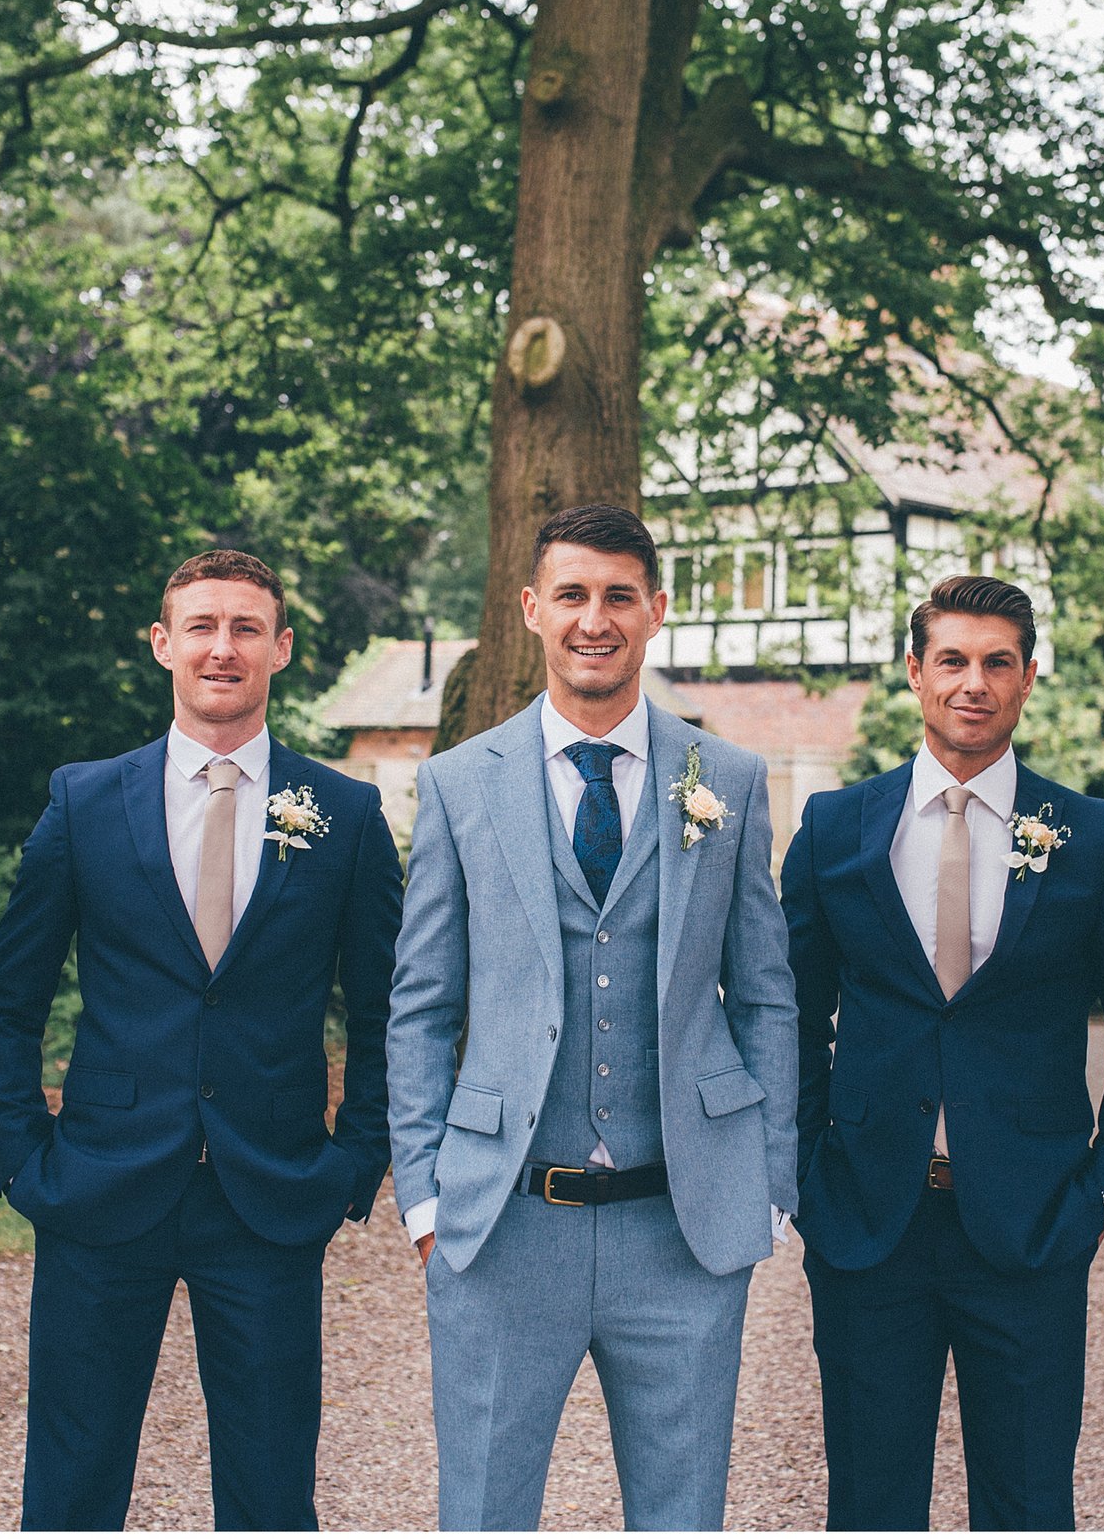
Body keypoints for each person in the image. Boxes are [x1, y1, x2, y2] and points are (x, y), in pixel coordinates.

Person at [0, 548, 401, 1531]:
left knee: (269, 1484)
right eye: (201, 625)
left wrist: (350, 1160)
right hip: (98, 1187)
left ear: (281, 648)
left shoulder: (342, 813)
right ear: (162, 644)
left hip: (269, 1195)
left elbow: (386, 1011)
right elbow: (5, 1004)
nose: (223, 646)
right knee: (73, 1482)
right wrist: (25, 1161)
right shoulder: (84, 801)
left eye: (247, 627)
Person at [386, 503, 797, 1531]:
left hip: (682, 1225)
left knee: (681, 1514)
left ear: (656, 610)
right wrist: (428, 1199)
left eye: (619, 595)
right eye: (571, 594)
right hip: (500, 1222)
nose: (594, 618)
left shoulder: (730, 780)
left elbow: (765, 993)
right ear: (531, 609)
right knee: (481, 1513)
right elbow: (422, 1004)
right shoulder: (456, 784)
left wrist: (768, 1180)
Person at [783, 574, 1104, 1530]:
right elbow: (788, 1012)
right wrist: (800, 1172)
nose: (974, 681)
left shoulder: (1097, 838)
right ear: (915, 672)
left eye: (998, 661)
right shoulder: (838, 829)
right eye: (952, 659)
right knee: (871, 1504)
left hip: (1033, 1225)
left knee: (1031, 1501)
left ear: (1029, 678)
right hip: (869, 1222)